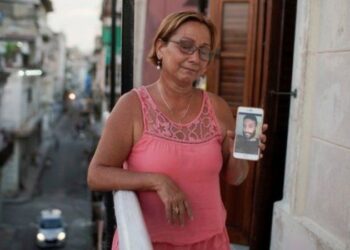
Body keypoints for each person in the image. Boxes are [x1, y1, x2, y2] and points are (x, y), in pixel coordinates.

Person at [87, 11, 268, 250]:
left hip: (211, 242)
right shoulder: (132, 106)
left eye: (204, 51)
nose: (195, 58)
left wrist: (238, 155)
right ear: (160, 47)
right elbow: (96, 174)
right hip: (150, 243)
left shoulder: (217, 107)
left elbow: (235, 177)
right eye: (186, 46)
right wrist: (157, 181)